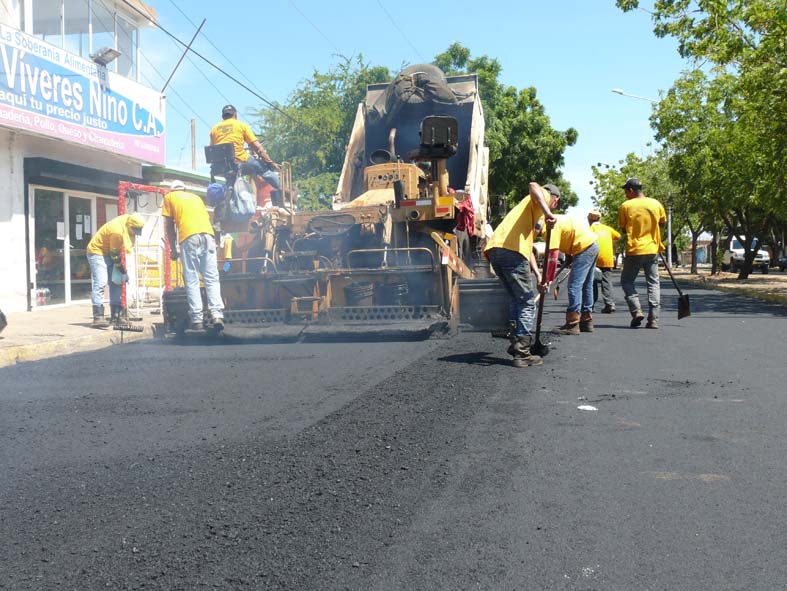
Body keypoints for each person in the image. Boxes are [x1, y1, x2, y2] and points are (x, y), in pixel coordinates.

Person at [484, 182, 559, 367]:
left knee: (515, 300)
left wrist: (539, 275)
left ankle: (516, 342)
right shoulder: (543, 197)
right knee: (526, 302)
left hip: (495, 250)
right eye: (555, 205)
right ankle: (522, 352)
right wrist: (548, 212)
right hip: (511, 251)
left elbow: (529, 250)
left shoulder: (529, 213)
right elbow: (533, 185)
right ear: (555, 199)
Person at [163, 180, 224, 331]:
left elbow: (169, 225)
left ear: (172, 190)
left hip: (189, 237)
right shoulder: (196, 198)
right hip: (208, 236)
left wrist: (173, 250)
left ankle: (197, 320)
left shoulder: (169, 198)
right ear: (184, 189)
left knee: (191, 278)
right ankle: (217, 315)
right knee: (211, 277)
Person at [618, 177, 666, 329]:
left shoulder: (626, 206)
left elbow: (624, 229)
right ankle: (654, 319)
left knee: (627, 281)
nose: (625, 194)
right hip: (652, 249)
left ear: (631, 190)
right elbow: (662, 223)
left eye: (626, 191)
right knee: (653, 283)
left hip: (635, 249)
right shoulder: (656, 203)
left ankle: (636, 310)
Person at [543, 214, 599, 334]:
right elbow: (569, 235)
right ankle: (586, 321)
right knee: (587, 285)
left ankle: (573, 324)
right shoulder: (557, 218)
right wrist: (569, 255)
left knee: (574, 286)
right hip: (592, 245)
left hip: (583, 248)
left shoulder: (548, 227)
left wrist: (546, 279)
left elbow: (552, 255)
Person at [86, 213, 146, 326]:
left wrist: (122, 273)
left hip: (110, 252)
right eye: (135, 230)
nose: (136, 234)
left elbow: (116, 253)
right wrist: (123, 271)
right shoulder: (117, 231)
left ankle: (116, 316)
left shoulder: (129, 221)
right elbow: (115, 255)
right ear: (130, 226)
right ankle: (98, 317)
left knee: (116, 282)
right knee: (101, 282)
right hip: (97, 252)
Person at [209, 104, 281, 190]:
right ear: (235, 115)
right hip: (240, 161)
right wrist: (270, 162)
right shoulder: (241, 125)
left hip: (221, 165)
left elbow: (212, 150)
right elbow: (256, 146)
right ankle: (281, 192)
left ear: (223, 116)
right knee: (265, 171)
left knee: (228, 181)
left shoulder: (214, 129)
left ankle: (226, 197)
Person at [588, 210, 621, 313]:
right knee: (606, 282)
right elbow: (619, 236)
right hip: (607, 259)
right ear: (599, 219)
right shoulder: (608, 229)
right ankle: (610, 304)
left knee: (591, 282)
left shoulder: (590, 228)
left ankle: (590, 305)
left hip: (594, 258)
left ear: (589, 219)